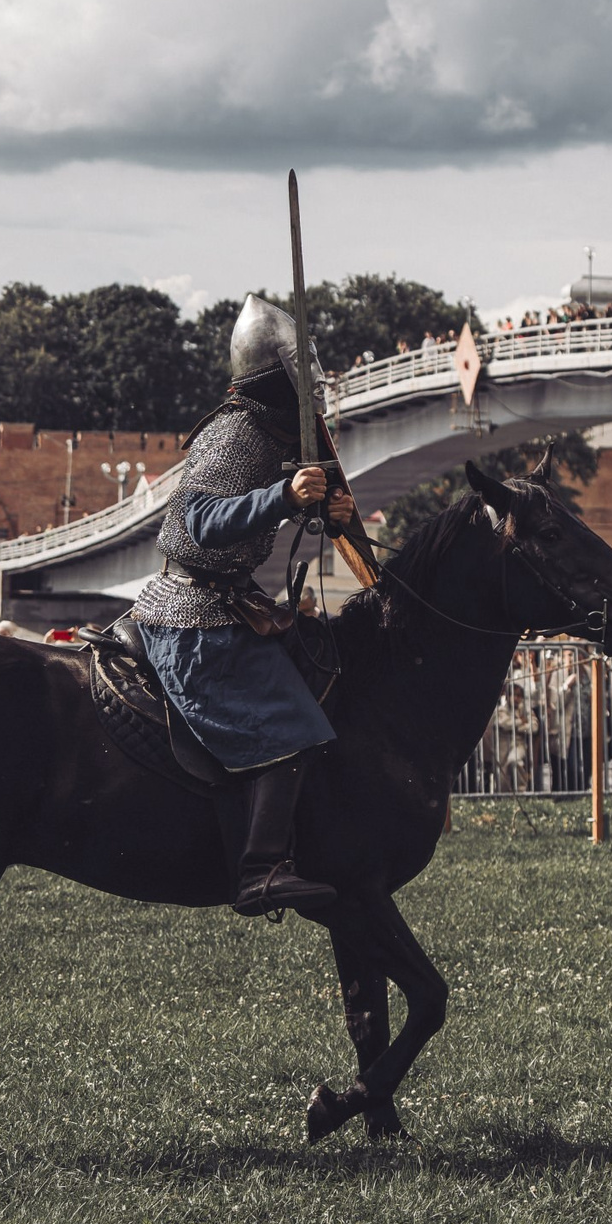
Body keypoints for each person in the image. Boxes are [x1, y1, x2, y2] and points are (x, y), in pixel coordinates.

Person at [130, 293, 354, 918]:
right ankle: (260, 871)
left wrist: (325, 512)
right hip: (192, 609)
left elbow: (279, 507)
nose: (311, 387)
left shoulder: (275, 435)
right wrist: (284, 495)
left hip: (233, 601)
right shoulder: (237, 431)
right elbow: (194, 522)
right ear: (275, 378)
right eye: (300, 374)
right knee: (292, 726)